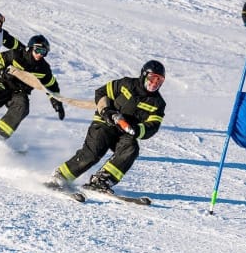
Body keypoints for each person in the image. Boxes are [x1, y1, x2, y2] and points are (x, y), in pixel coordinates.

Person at [46, 60, 166, 194]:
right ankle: (60, 177)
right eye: (152, 78)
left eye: (160, 80)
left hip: (125, 131)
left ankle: (101, 181)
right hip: (105, 122)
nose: (155, 83)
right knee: (93, 153)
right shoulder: (126, 84)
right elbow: (101, 92)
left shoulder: (158, 103)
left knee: (131, 148)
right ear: (144, 75)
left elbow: (153, 126)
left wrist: (137, 130)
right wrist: (107, 112)